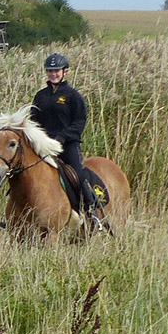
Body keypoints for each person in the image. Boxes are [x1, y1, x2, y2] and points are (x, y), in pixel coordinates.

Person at [31, 52, 106, 230]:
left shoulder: (73, 96)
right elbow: (34, 121)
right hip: (44, 145)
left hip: (67, 145)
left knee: (78, 174)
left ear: (65, 71)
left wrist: (62, 137)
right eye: (50, 71)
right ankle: (18, 216)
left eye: (57, 71)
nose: (53, 74)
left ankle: (91, 212)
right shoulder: (40, 96)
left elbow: (79, 122)